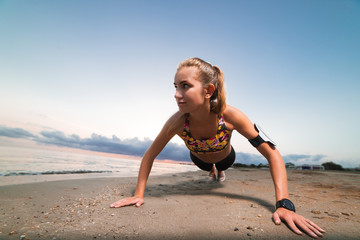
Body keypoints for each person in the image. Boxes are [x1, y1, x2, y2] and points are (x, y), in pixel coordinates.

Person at [110, 57, 325, 238]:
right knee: (207, 167)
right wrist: (139, 194)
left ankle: (220, 170)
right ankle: (212, 171)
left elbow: (272, 153)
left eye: (185, 86)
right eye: (175, 87)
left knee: (221, 165)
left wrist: (284, 204)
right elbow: (149, 156)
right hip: (199, 160)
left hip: (226, 157)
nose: (176, 94)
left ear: (208, 90)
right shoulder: (176, 122)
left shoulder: (231, 116)